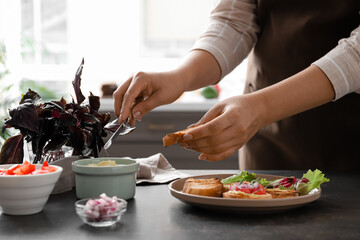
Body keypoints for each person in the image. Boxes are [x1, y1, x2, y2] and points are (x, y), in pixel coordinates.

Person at [113, 0, 360, 171]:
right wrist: (180, 77)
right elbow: (234, 21)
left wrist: (262, 107)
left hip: (347, 142)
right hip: (268, 144)